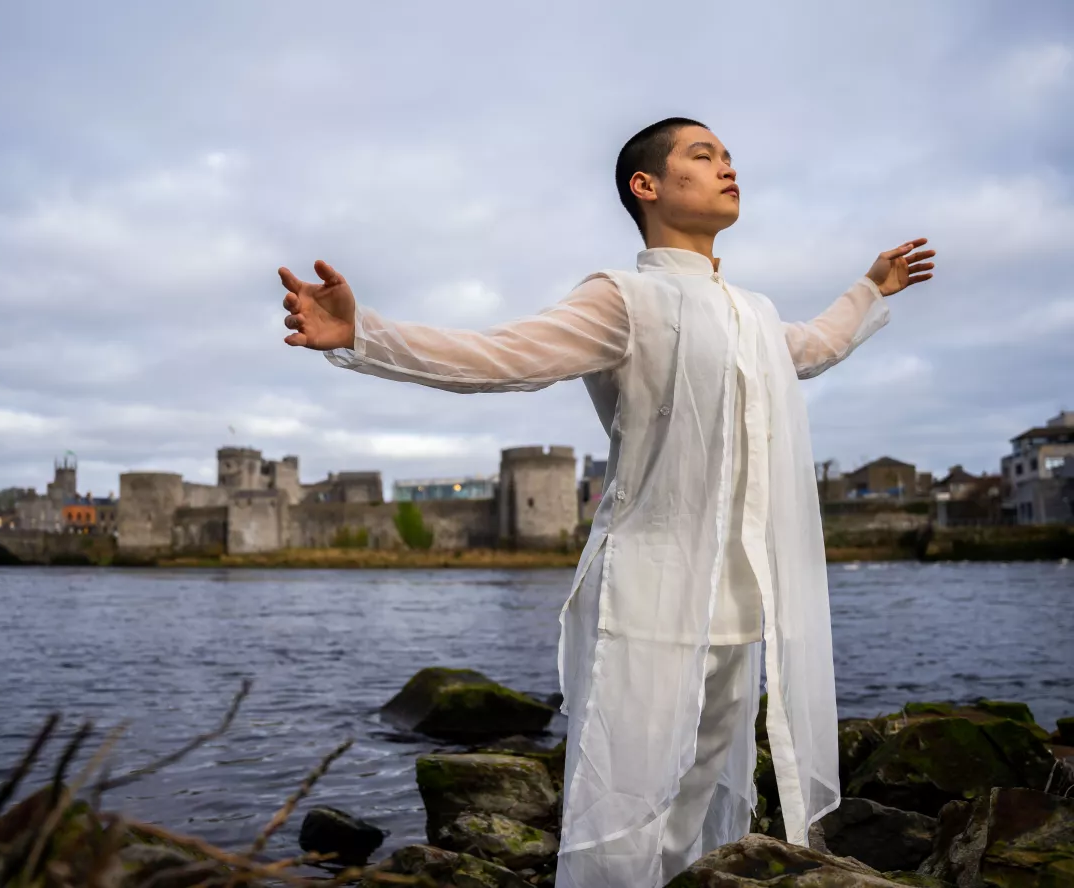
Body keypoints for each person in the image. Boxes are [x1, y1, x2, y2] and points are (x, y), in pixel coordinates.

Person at [277, 117, 935, 888]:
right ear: (646, 186)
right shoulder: (624, 299)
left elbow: (813, 349)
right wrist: (366, 333)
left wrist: (867, 288)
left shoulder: (752, 314)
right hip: (644, 599)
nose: (727, 167)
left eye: (727, 156)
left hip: (738, 604)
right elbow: (503, 356)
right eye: (703, 155)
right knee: (622, 810)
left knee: (693, 802)